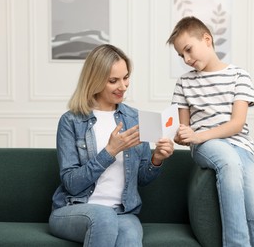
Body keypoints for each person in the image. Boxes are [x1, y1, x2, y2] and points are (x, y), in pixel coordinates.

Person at [49, 44, 174, 247]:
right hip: (74, 209)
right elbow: (71, 183)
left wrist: (156, 159)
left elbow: (142, 178)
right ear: (95, 80)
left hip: (123, 212)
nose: (123, 86)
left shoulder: (134, 118)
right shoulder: (71, 120)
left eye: (126, 77)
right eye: (113, 81)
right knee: (104, 218)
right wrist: (110, 151)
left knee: (130, 238)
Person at [166, 16, 254, 246]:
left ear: (207, 39)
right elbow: (185, 129)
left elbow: (237, 124)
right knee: (228, 162)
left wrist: (197, 134)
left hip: (240, 146)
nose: (186, 59)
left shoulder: (239, 76)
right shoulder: (184, 83)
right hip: (207, 147)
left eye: (188, 50)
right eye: (181, 55)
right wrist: (184, 136)